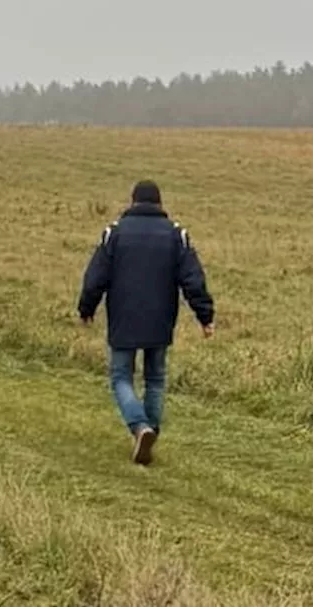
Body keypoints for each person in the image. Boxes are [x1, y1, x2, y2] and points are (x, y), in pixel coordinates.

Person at [77, 179, 215, 466]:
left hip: (123, 318)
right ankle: (149, 433)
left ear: (132, 201)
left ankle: (140, 428)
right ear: (160, 203)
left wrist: (86, 308)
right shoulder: (177, 235)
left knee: (121, 377)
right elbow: (193, 280)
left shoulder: (113, 233)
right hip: (161, 318)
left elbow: (95, 277)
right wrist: (205, 316)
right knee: (155, 378)